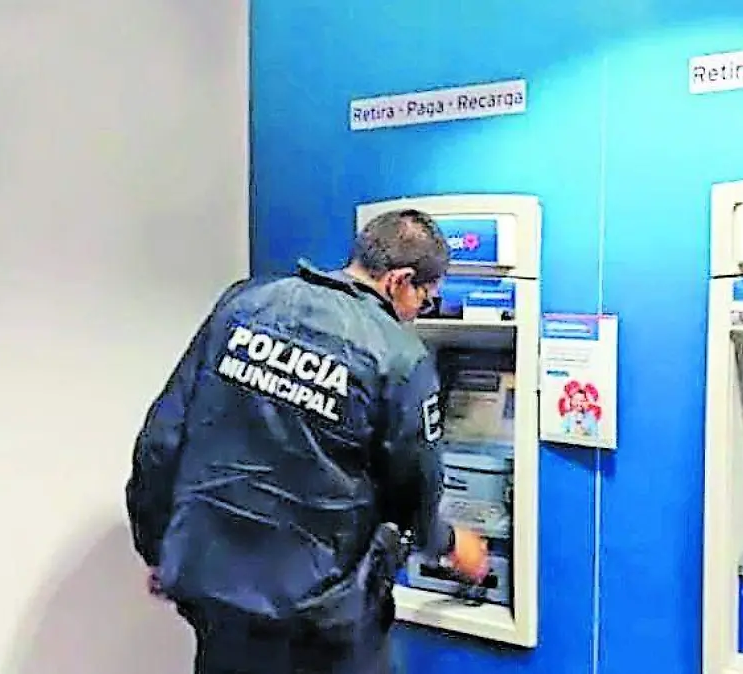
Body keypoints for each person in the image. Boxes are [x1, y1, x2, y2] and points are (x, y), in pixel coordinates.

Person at [125, 209, 490, 674]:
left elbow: (160, 443)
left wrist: (162, 548)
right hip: (319, 618)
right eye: (426, 297)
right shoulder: (399, 358)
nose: (422, 311)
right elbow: (413, 496)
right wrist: (452, 543)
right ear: (400, 281)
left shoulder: (244, 304)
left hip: (216, 590)